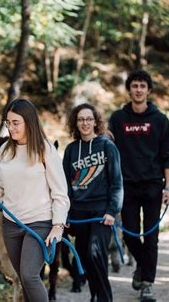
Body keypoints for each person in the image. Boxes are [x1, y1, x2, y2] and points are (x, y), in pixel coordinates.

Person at [0, 98, 70, 302]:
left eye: (16, 123)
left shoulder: (45, 150)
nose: (11, 128)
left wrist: (58, 226)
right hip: (12, 224)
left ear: (29, 122)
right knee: (23, 277)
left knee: (30, 276)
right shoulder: (6, 150)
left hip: (40, 223)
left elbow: (60, 192)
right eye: (8, 123)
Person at [108, 70, 169, 302]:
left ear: (148, 90)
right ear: (129, 89)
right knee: (130, 235)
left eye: (142, 86)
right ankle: (145, 268)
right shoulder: (117, 119)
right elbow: (108, 148)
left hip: (153, 186)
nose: (138, 89)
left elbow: (168, 155)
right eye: (134, 85)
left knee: (152, 236)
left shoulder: (160, 120)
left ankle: (147, 283)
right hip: (126, 186)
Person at [63, 103, 123, 302]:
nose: (85, 123)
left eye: (89, 119)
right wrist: (66, 214)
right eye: (81, 119)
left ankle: (105, 298)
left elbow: (116, 182)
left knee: (96, 253)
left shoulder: (107, 147)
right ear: (76, 123)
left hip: (101, 213)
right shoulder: (71, 150)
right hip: (79, 213)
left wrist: (112, 211)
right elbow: (65, 186)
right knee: (84, 257)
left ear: (96, 121)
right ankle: (96, 295)